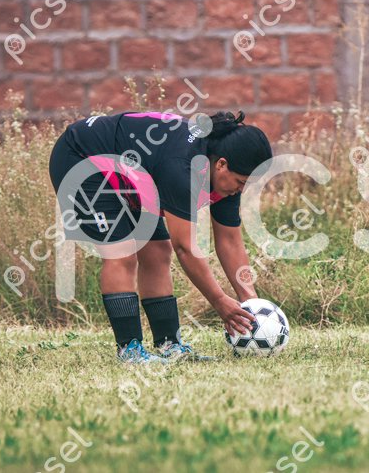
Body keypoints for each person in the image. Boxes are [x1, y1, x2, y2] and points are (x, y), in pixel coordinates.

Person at [48, 109, 272, 363]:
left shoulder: (226, 177)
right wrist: (219, 300)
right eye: (241, 182)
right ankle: (130, 351)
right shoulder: (182, 168)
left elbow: (229, 241)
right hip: (81, 158)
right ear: (221, 164)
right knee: (123, 253)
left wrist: (251, 302)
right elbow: (185, 248)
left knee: (157, 251)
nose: (241, 190)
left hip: (132, 174)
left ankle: (170, 345)